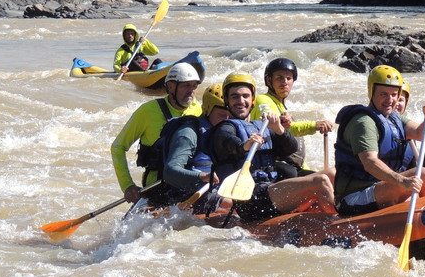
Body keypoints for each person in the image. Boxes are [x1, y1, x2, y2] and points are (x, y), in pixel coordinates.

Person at [209, 71, 333, 221]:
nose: (241, 101)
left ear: (253, 100)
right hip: (251, 199)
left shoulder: (261, 126)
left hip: (272, 188)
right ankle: (336, 222)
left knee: (333, 173)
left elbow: (290, 149)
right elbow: (228, 142)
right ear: (227, 101)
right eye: (235, 96)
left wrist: (279, 129)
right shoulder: (225, 128)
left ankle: (342, 210)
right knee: (320, 181)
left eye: (245, 96)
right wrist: (245, 146)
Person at [333, 65, 425, 216]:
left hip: (381, 188)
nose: (390, 100)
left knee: (424, 177)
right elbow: (370, 163)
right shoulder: (363, 122)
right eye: (383, 94)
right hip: (353, 198)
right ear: (372, 92)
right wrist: (401, 181)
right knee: (422, 174)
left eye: (393, 94)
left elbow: (421, 133)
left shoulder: (393, 117)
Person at [110, 62, 202, 204]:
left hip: (189, 188)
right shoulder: (147, 111)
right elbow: (118, 147)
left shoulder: (198, 110)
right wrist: (127, 186)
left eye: (194, 86)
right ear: (170, 86)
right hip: (156, 190)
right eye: (185, 85)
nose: (191, 91)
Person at [252, 56, 334, 177]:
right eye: (279, 78)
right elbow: (279, 127)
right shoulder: (263, 100)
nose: (285, 82)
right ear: (269, 80)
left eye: (288, 78)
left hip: (292, 165)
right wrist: (314, 125)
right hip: (273, 164)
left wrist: (307, 170)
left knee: (328, 177)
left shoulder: (281, 106)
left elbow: (294, 150)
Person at [155, 82, 229, 213]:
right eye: (222, 115)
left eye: (230, 116)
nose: (227, 121)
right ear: (207, 109)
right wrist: (202, 177)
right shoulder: (188, 133)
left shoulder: (231, 131)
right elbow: (170, 171)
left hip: (215, 191)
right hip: (184, 195)